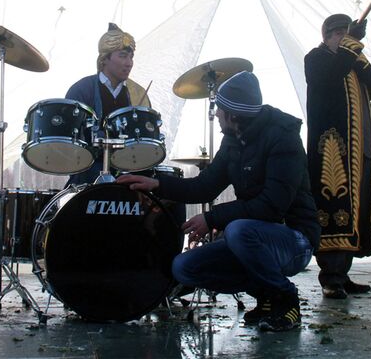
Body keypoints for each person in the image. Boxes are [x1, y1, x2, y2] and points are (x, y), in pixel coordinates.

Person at [118, 71, 320, 332]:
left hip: (294, 240)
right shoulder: (234, 140)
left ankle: (286, 299)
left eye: (219, 110)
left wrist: (212, 219)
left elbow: (272, 206)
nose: (216, 116)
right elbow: (204, 186)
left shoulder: (283, 138)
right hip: (254, 238)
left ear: (233, 115)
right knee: (184, 267)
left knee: (238, 230)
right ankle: (266, 295)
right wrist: (158, 185)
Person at [305, 14, 371, 299]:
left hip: (360, 149)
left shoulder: (352, 62)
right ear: (326, 35)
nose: (343, 37)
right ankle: (331, 277)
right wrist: (352, 46)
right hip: (333, 150)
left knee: (356, 212)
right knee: (334, 208)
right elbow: (329, 76)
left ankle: (343, 275)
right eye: (338, 33)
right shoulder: (316, 58)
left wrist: (360, 59)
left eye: (346, 33)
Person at [64, 23, 151, 185]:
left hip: (130, 172)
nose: (129, 63)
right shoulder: (81, 90)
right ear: (104, 59)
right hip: (88, 174)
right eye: (123, 56)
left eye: (131, 57)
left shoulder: (138, 94)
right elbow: (71, 145)